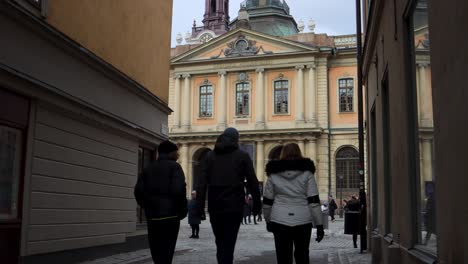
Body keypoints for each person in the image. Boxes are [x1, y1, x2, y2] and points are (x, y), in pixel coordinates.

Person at [196, 128, 261, 264]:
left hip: (215, 206)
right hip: (234, 206)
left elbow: (201, 184)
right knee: (229, 242)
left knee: (220, 242)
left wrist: (200, 208)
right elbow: (253, 182)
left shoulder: (210, 156)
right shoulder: (242, 156)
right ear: (236, 139)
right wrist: (257, 206)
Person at [263, 143, 324, 264]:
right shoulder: (307, 174)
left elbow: (267, 202)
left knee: (283, 257)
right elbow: (313, 202)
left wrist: (268, 220)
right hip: (303, 220)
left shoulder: (273, 174)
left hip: (279, 219)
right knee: (302, 255)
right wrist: (320, 225)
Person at [134, 140, 187, 264]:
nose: (178, 155)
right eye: (176, 152)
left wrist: (146, 205)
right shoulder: (175, 167)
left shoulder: (148, 168)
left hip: (153, 216)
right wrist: (182, 210)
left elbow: (138, 191)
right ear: (170, 153)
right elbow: (179, 190)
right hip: (171, 216)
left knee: (156, 248)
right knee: (167, 250)